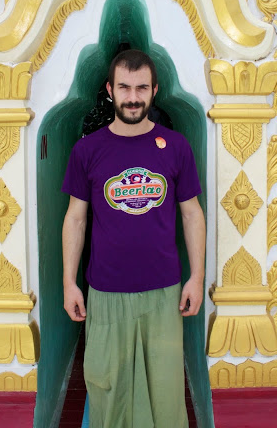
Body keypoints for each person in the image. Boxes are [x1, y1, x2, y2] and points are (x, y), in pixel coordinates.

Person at [62, 49, 206, 428]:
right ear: (110, 90)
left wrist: (196, 277)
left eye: (141, 88)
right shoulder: (87, 150)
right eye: (124, 87)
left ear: (154, 91)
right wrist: (69, 283)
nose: (133, 97)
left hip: (163, 291)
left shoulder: (175, 147)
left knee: (164, 392)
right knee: (107, 386)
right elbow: (75, 219)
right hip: (106, 291)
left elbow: (192, 213)